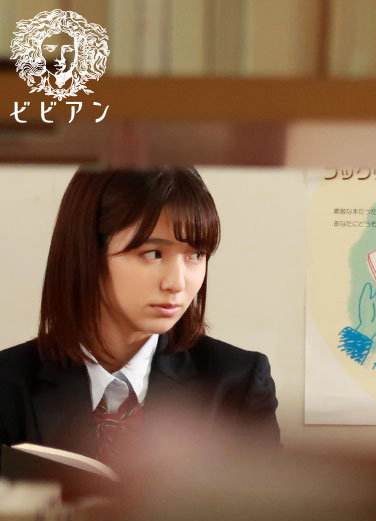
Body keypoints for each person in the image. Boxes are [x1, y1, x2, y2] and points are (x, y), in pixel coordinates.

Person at [0, 168, 280, 467]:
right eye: (153, 253)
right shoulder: (7, 385)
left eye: (196, 255)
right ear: (88, 253)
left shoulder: (237, 383)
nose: (177, 283)